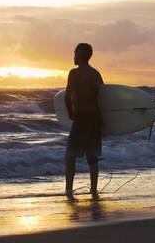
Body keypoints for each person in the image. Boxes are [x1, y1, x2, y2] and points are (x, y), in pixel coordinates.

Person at [64, 43, 104, 199]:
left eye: (75, 53)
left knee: (70, 156)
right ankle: (93, 190)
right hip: (95, 118)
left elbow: (68, 96)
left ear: (80, 55)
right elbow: (103, 98)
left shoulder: (74, 73)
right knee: (92, 156)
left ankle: (68, 190)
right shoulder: (96, 74)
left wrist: (70, 113)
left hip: (81, 118)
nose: (73, 56)